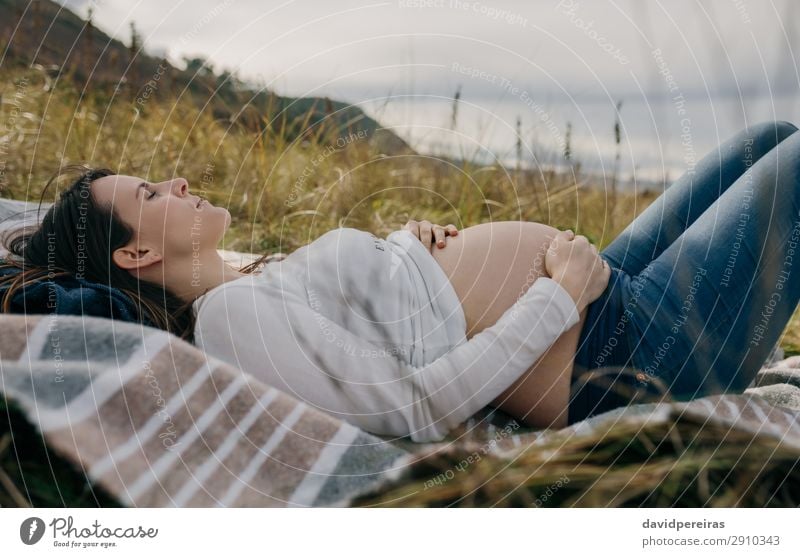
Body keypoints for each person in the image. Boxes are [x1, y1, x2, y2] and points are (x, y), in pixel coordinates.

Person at [1, 120, 798, 442]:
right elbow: (414, 408)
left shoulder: (246, 278)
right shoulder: (226, 322)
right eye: (149, 196)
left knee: (773, 135)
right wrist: (559, 293)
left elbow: (382, 316)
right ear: (136, 256)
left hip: (602, 291)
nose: (174, 182)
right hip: (622, 351)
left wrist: (409, 251)